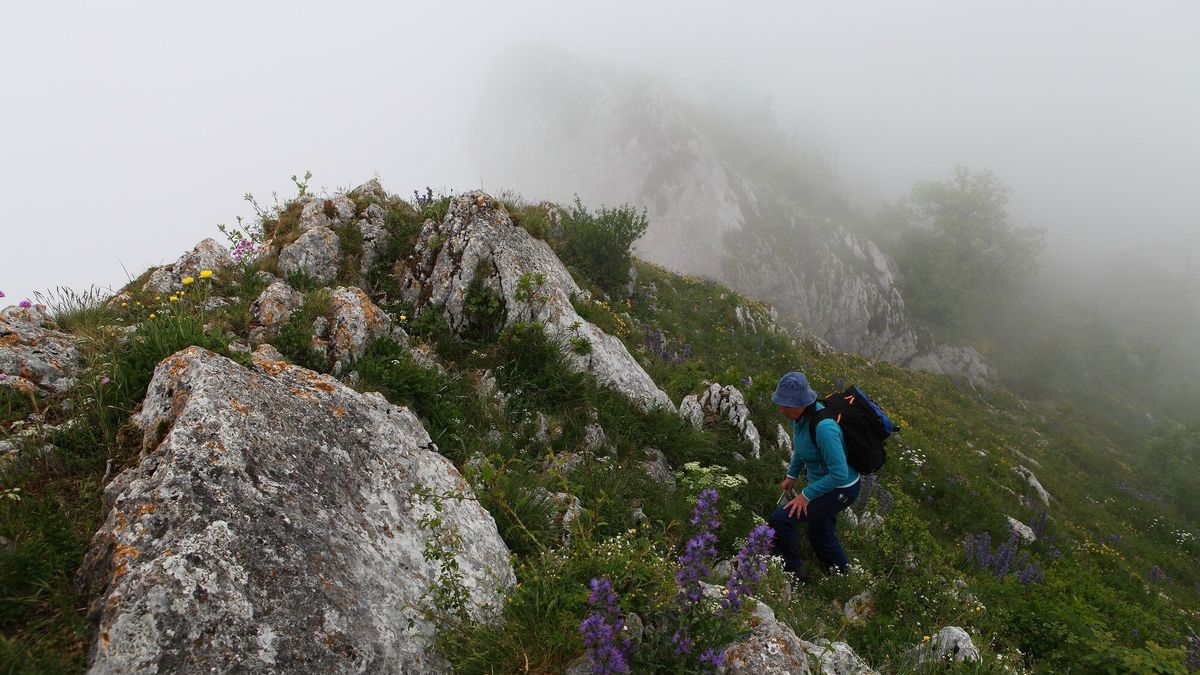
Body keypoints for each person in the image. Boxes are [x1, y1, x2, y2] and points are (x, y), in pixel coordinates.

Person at [768, 371, 861, 582]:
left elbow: (839, 473)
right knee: (821, 537)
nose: (781, 409)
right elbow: (801, 448)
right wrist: (791, 474)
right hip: (827, 485)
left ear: (802, 403)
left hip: (842, 488)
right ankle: (843, 580)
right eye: (780, 403)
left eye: (786, 404)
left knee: (780, 519)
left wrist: (806, 495)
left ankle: (792, 573)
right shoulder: (800, 418)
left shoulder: (825, 428)